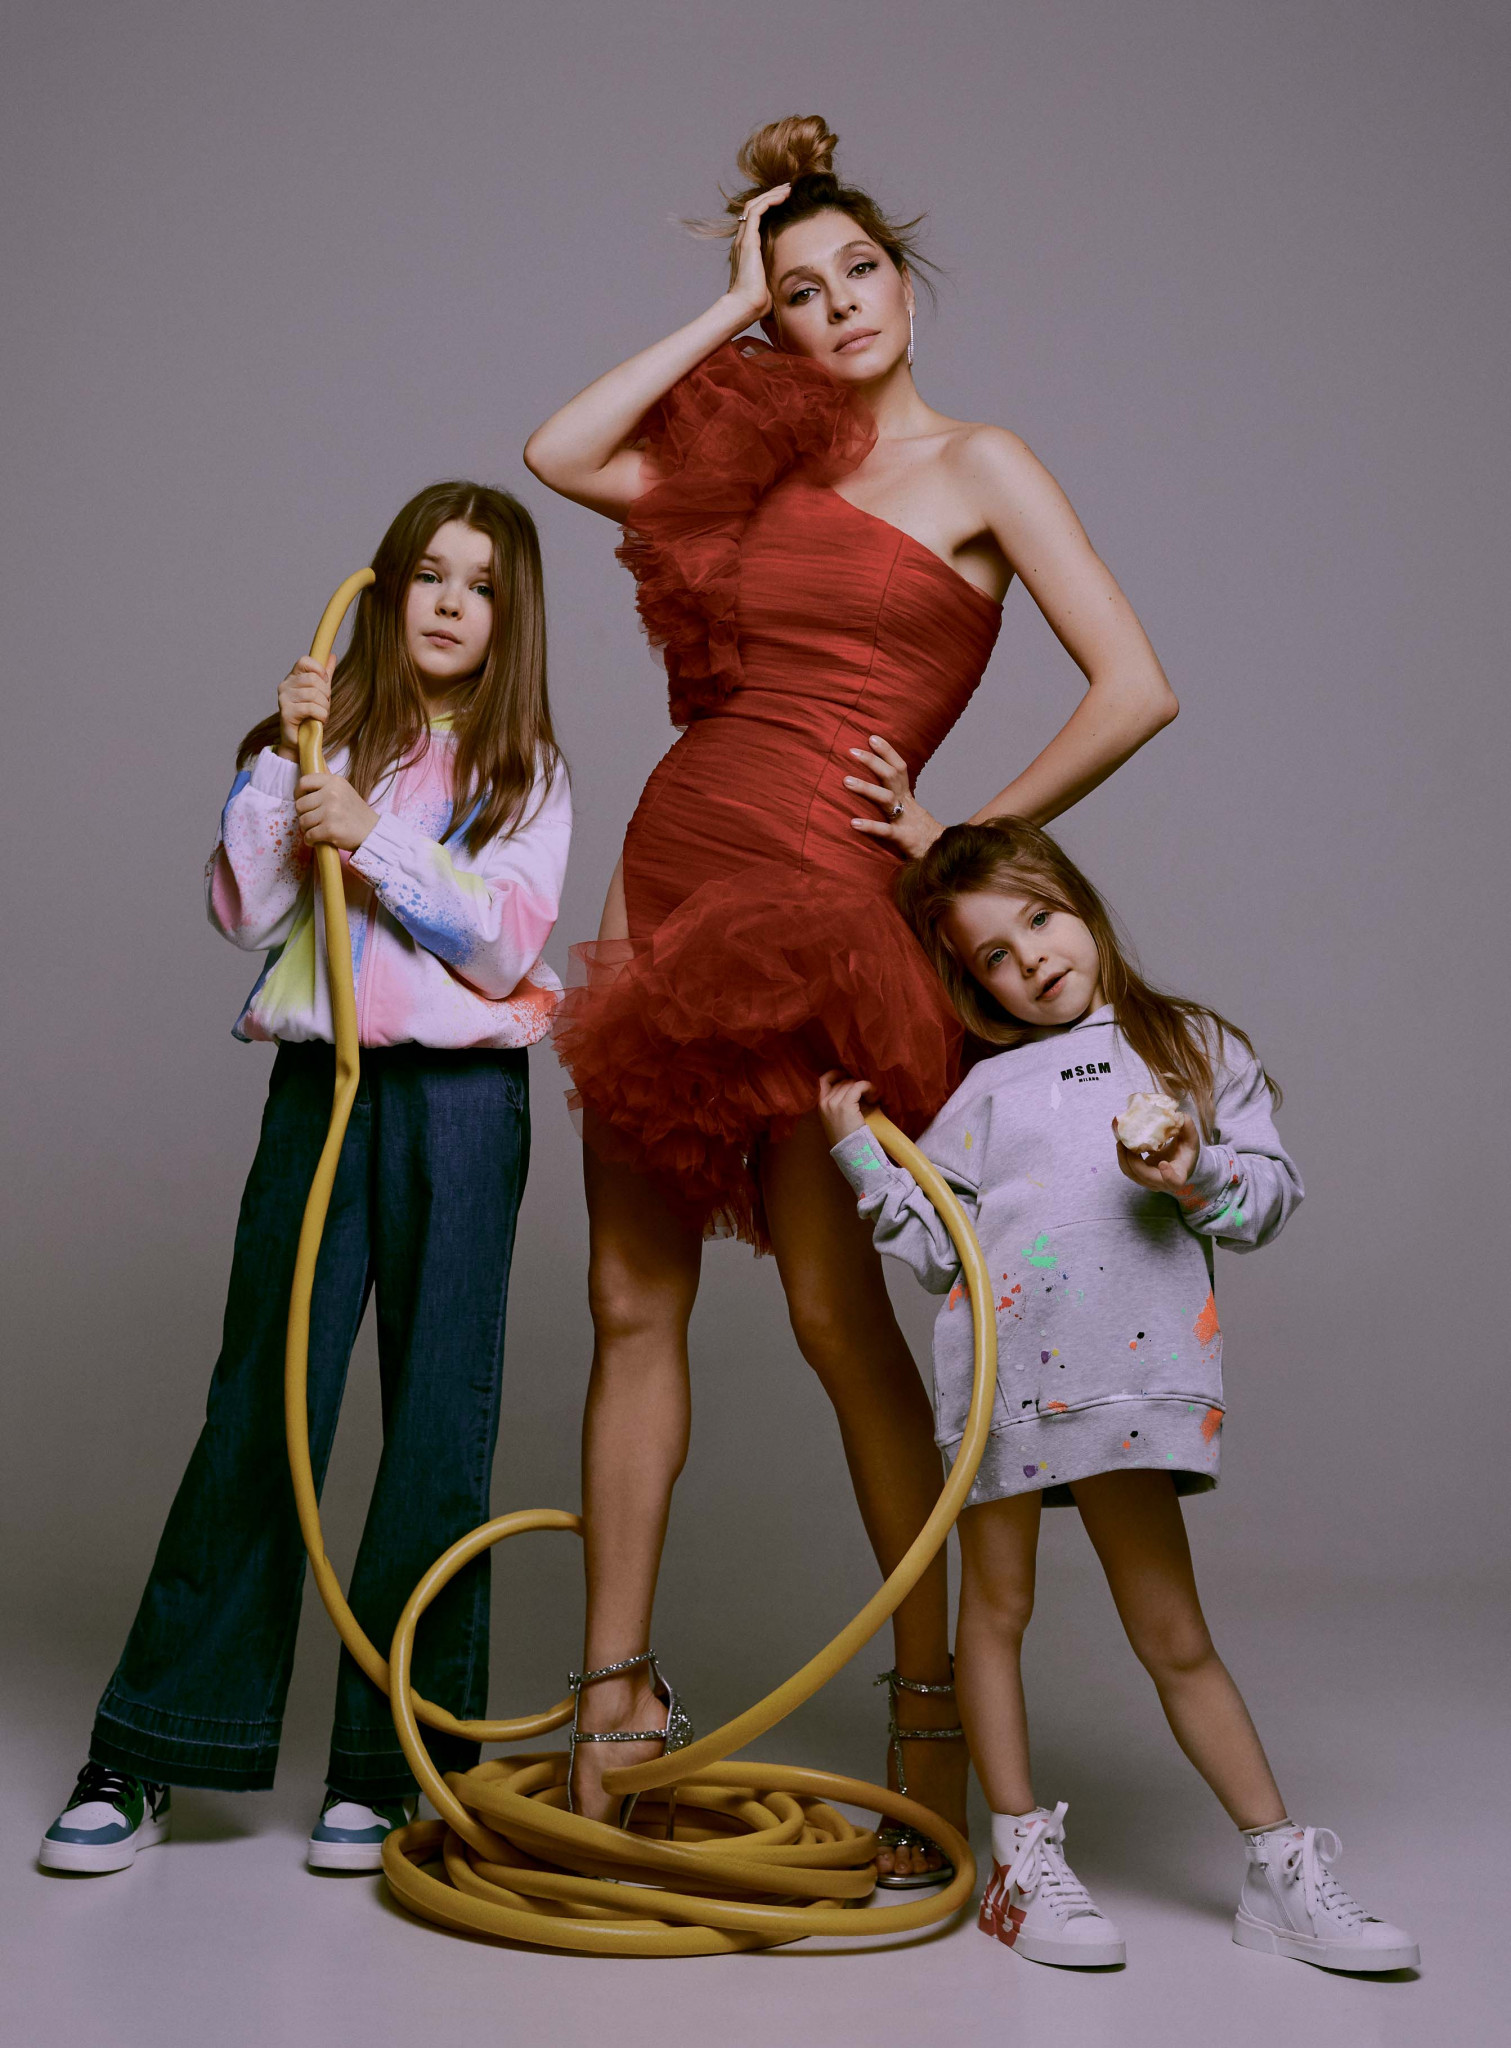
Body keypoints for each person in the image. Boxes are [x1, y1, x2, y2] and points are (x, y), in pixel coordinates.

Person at [523, 114, 1178, 1879]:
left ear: (904, 276)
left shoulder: (983, 463)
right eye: (797, 294)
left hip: (823, 910)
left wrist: (963, 838)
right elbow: (558, 451)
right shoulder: (746, 475)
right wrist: (725, 296)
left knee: (834, 1315)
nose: (837, 308)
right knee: (625, 1299)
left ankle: (927, 1709)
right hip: (673, 871)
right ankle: (612, 1699)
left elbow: (1133, 684)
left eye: (856, 270)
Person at [39, 482, 571, 1878]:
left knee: (438, 1425)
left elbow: (502, 946)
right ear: (385, 590)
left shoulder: (528, 772)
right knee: (261, 1408)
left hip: (461, 1107)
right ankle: (155, 1742)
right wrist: (291, 763)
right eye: (429, 574)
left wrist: (373, 833)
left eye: (482, 585)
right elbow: (249, 912)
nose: (450, 601)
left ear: (510, 618)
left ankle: (391, 1767)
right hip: (318, 1093)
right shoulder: (313, 743)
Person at [819, 817, 1418, 1969]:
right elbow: (939, 1249)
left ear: (1079, 903)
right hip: (1004, 1393)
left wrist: (1191, 1174)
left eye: (1040, 919)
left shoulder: (1187, 1045)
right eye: (995, 954)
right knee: (992, 1612)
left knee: (1172, 1634)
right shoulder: (981, 1092)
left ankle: (1276, 1867)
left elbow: (1264, 1198)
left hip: (1125, 1384)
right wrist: (857, 1154)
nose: (1031, 958)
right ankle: (1019, 1862)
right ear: (973, 981)